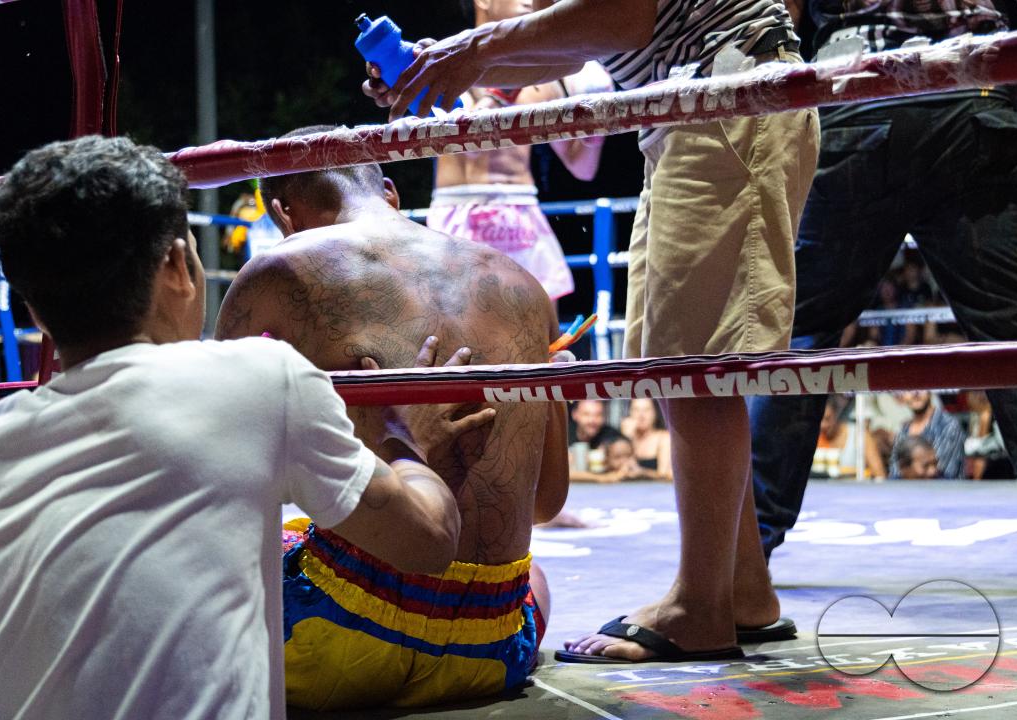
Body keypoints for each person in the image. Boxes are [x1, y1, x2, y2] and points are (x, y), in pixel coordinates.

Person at [0, 136, 494, 720]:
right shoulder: (259, 379)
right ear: (178, 265)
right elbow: (428, 541)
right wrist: (403, 434)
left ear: (33, 309)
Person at [365, 0, 816, 663]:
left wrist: (474, 52)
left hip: (721, 94)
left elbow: (621, 15)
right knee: (681, 356)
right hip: (698, 99)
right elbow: (583, 44)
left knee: (691, 360)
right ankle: (742, 588)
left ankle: (700, 606)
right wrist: (451, 64)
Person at [214, 128, 569, 710]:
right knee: (536, 579)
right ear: (390, 191)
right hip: (495, 644)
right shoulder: (523, 285)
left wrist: (391, 451)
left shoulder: (280, 270)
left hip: (332, 640)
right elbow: (544, 503)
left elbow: (222, 480)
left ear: (282, 213)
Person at [750, 0, 1017, 559]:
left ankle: (745, 556)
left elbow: (779, 14)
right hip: (971, 91)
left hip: (860, 90)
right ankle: (744, 553)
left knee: (801, 334)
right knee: (1015, 334)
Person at [428, 1, 612, 301]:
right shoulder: (452, 64)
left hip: (522, 213)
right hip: (463, 212)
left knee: (543, 337)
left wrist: (597, 127)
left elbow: (583, 168)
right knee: (467, 330)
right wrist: (504, 91)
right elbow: (472, 146)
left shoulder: (547, 77)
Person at [888, 391, 966, 479]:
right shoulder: (903, 431)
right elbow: (895, 472)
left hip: (944, 491)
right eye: (909, 389)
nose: (915, 394)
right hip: (908, 490)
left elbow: (941, 475)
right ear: (902, 395)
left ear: (930, 391)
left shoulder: (948, 426)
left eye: (921, 388)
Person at [570, 436, 663, 482]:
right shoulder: (602, 472)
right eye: (618, 457)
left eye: (628, 455)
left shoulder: (638, 473)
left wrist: (643, 472)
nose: (624, 461)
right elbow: (571, 475)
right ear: (607, 459)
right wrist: (603, 478)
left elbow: (663, 476)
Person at [620, 397, 672, 478]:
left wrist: (642, 472)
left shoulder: (663, 438)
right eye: (636, 410)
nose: (641, 415)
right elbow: (620, 471)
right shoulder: (626, 436)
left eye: (646, 410)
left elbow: (665, 475)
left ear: (655, 413)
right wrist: (626, 439)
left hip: (657, 489)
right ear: (629, 413)